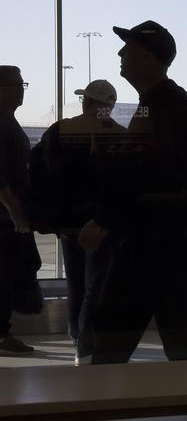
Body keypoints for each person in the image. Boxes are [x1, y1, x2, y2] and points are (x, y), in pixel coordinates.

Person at [78, 20, 187, 363]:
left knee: (115, 332)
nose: (121, 53)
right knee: (179, 332)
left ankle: (95, 399)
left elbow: (145, 174)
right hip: (160, 238)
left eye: (131, 48)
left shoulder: (159, 108)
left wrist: (103, 220)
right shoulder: (159, 104)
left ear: (149, 58)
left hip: (154, 240)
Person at [31, 79, 125, 364]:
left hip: (68, 223)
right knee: (96, 285)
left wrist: (45, 216)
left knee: (77, 281)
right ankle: (86, 344)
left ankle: (77, 337)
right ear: (110, 107)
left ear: (86, 102)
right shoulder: (120, 136)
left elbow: (36, 170)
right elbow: (126, 182)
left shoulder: (59, 131)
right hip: (101, 224)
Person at [0, 65, 42, 356]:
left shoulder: (9, 122)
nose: (21, 89)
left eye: (22, 83)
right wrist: (16, 213)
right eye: (15, 84)